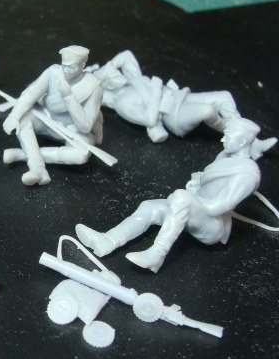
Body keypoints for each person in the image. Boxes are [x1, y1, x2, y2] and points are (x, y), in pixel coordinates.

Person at [76, 117, 262, 272]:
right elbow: (206, 181)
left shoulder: (247, 174)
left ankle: (157, 254)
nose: (223, 139)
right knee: (149, 207)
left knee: (181, 197)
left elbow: (217, 207)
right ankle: (107, 240)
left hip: (212, 225)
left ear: (242, 141)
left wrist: (186, 201)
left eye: (228, 136)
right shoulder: (225, 156)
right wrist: (195, 186)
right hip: (194, 210)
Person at [90, 50, 276, 157]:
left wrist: (106, 66)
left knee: (224, 96)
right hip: (171, 116)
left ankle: (253, 143)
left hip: (179, 96)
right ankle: (241, 139)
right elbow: (149, 119)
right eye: (113, 75)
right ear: (107, 84)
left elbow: (126, 55)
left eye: (115, 71)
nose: (117, 73)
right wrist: (156, 90)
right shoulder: (123, 104)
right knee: (207, 111)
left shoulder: (132, 79)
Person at [1, 46, 104, 186]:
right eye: (64, 65)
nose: (66, 70)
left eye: (71, 67)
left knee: (81, 155)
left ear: (82, 65)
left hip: (72, 130)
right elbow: (31, 93)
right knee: (23, 119)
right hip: (47, 119)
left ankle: (22, 155)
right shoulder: (53, 72)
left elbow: (85, 126)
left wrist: (69, 97)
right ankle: (37, 168)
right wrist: (14, 115)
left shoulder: (94, 87)